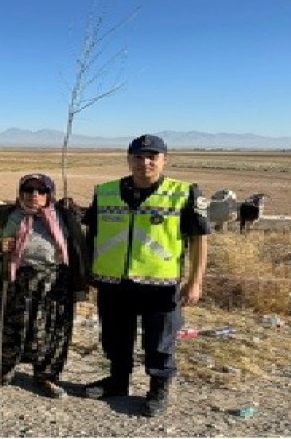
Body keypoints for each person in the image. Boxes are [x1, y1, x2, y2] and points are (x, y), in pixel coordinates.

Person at [81, 134, 209, 416]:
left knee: (160, 340)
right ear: (129, 159)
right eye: (138, 157)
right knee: (115, 336)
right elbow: (92, 234)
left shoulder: (184, 193)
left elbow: (200, 239)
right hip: (113, 281)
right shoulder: (105, 191)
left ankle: (158, 389)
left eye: (152, 157)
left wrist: (195, 281)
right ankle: (117, 382)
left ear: (164, 160)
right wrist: (87, 271)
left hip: (161, 285)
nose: (145, 163)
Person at [0, 173, 88, 398]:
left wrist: (81, 282)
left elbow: (79, 246)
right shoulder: (5, 215)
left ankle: (47, 377)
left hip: (54, 281)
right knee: (6, 327)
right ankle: (0, 375)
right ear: (21, 193)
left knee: (53, 331)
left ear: (50, 194)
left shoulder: (64, 217)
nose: (34, 196)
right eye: (28, 190)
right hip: (13, 278)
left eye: (41, 191)